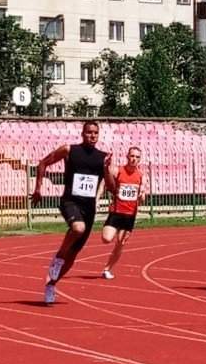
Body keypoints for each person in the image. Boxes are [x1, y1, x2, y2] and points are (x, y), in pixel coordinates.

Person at [32, 120, 109, 305]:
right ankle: (58, 256)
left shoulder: (103, 157)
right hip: (70, 201)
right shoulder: (69, 150)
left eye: (95, 133)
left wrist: (107, 169)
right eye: (89, 132)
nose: (92, 136)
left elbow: (112, 187)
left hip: (89, 208)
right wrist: (38, 188)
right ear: (82, 134)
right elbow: (43, 163)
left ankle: (51, 285)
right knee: (77, 228)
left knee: (73, 255)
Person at [99, 146, 145, 280]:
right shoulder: (118, 171)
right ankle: (113, 232)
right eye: (132, 156)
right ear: (127, 156)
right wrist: (97, 199)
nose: (134, 159)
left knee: (121, 243)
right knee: (106, 239)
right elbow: (104, 183)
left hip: (129, 215)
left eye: (137, 157)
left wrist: (142, 196)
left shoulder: (141, 176)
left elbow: (143, 193)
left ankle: (107, 269)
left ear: (139, 159)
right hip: (116, 212)